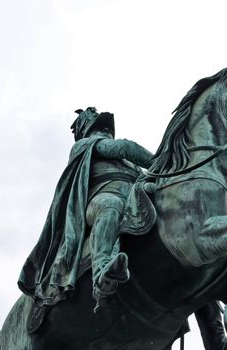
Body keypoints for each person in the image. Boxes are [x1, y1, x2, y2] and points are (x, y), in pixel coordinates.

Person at [18, 107, 154, 310]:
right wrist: (161, 160)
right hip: (98, 202)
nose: (106, 131)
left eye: (107, 129)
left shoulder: (131, 164)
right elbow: (124, 147)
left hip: (136, 198)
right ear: (90, 131)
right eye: (100, 127)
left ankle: (213, 329)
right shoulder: (84, 146)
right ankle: (101, 273)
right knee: (111, 205)